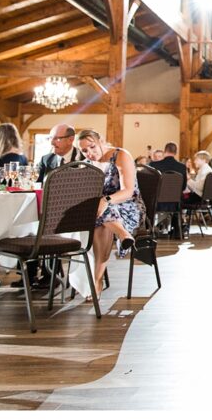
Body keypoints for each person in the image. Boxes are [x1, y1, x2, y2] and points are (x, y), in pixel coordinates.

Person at [77, 129, 145, 301]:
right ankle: (123, 236)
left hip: (129, 206)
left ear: (101, 141)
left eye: (92, 147)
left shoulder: (120, 155)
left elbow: (129, 191)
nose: (89, 153)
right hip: (102, 211)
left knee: (102, 216)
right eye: (84, 151)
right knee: (101, 220)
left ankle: (97, 282)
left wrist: (105, 200)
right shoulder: (86, 164)